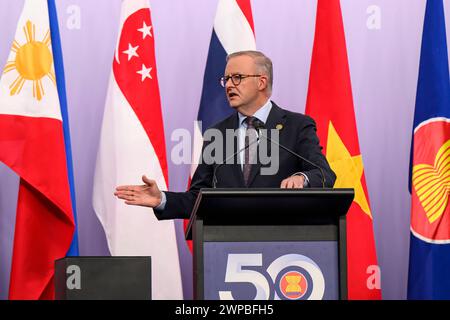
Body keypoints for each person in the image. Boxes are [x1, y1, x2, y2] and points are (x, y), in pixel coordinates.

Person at [114, 50, 336, 220]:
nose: (229, 85)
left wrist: (303, 179)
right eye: (226, 79)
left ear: (261, 81)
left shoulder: (297, 126)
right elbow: (199, 198)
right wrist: (161, 199)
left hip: (283, 247)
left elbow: (324, 174)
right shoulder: (217, 134)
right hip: (227, 249)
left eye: (237, 77)